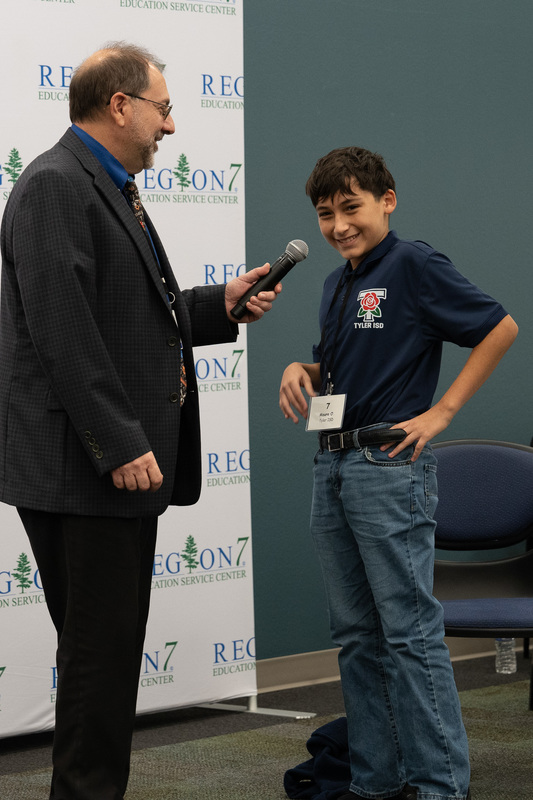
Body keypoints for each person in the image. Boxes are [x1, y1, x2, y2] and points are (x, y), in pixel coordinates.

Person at [0, 42, 280, 800]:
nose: (174, 126)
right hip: (84, 469)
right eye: (163, 107)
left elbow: (128, 318)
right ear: (119, 105)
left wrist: (214, 306)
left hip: (103, 468)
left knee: (108, 657)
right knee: (99, 661)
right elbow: (62, 329)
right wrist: (118, 441)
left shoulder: (105, 185)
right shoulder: (59, 185)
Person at [279, 146, 518, 800]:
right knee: (356, 636)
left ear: (386, 200)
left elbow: (499, 327)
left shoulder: (412, 264)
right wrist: (302, 372)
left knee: (409, 635)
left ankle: (441, 786)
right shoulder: (336, 282)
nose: (337, 225)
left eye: (350, 207)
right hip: (330, 464)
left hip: (388, 468)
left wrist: (441, 412)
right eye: (325, 213)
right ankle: (373, 782)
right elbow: (337, 366)